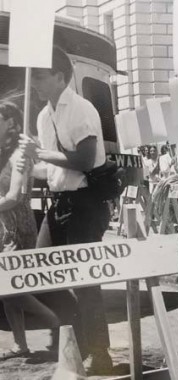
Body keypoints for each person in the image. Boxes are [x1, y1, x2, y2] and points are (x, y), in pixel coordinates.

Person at [19, 46, 113, 374]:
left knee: (86, 281)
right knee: (39, 273)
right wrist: (28, 165)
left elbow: (85, 161)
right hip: (59, 202)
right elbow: (54, 172)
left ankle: (99, 351)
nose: (36, 83)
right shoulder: (45, 115)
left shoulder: (82, 109)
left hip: (85, 204)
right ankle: (77, 336)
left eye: (41, 76)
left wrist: (41, 154)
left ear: (60, 76)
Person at [0, 102, 61, 360]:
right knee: (9, 294)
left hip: (17, 229)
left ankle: (57, 322)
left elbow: (14, 196)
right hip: (3, 226)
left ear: (11, 123)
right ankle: (20, 344)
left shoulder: (19, 156)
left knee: (8, 289)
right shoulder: (3, 153)